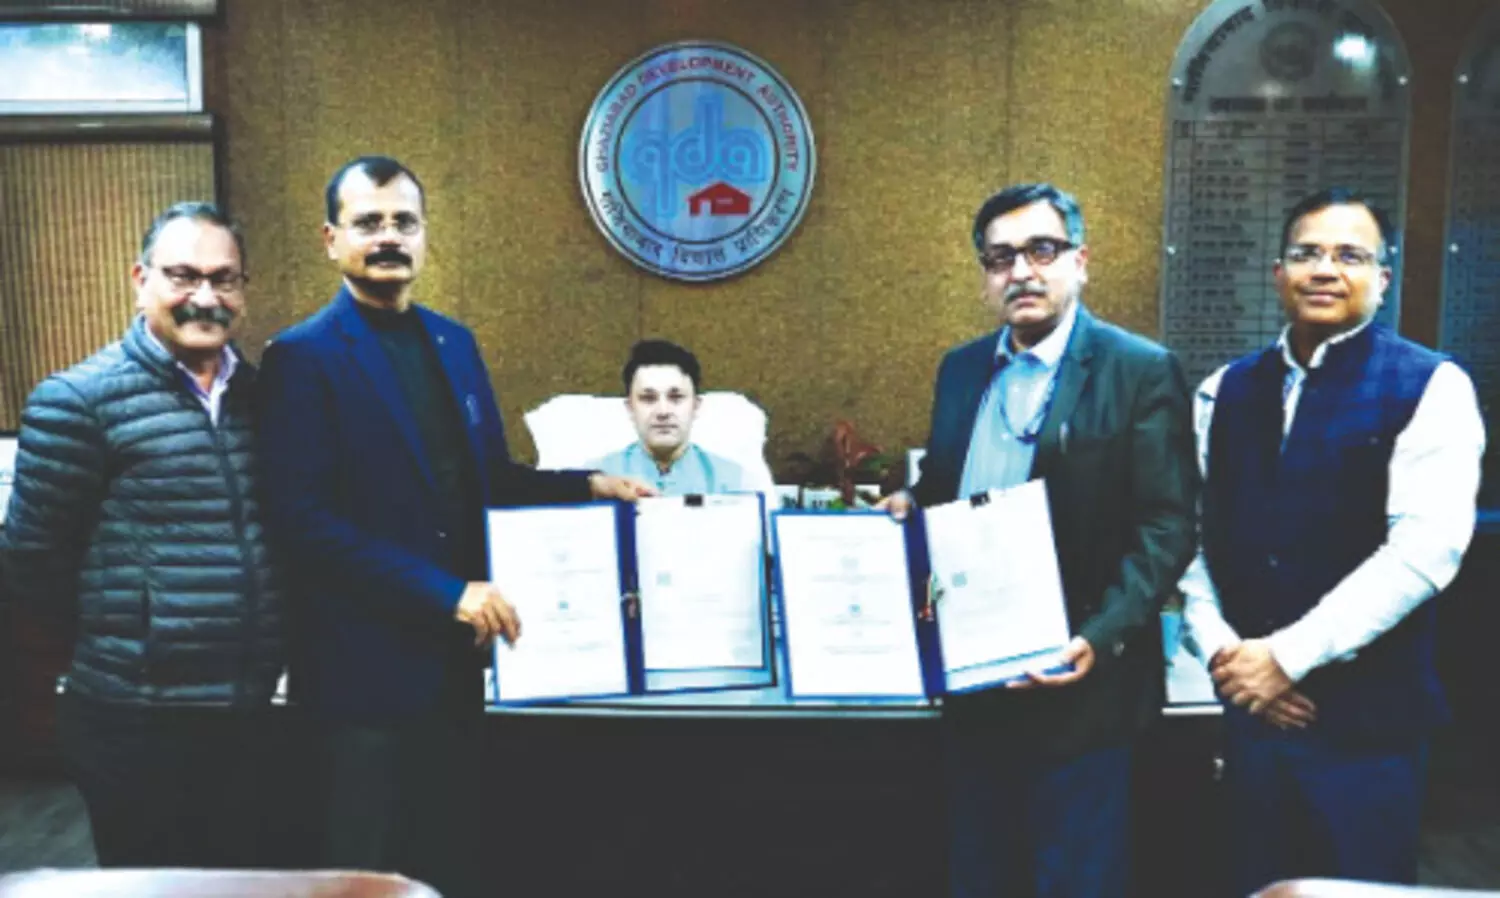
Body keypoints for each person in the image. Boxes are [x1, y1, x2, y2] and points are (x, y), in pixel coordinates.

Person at [253, 155, 652, 898]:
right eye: (368, 223)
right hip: (360, 683)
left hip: (454, 674)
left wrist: (587, 485)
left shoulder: (453, 344)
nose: (388, 237)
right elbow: (302, 522)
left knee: (447, 862)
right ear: (331, 240)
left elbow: (485, 479)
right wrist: (448, 593)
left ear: (424, 235)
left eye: (403, 222)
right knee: (362, 874)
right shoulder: (301, 358)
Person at [884, 183, 1197, 897]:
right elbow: (943, 482)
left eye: (1042, 250)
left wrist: (1099, 635)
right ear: (985, 276)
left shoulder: (1138, 369)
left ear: (1080, 261)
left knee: (1075, 882)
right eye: (1000, 258)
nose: (1021, 271)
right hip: (975, 689)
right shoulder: (962, 369)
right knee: (980, 875)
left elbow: (1168, 525)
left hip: (1081, 693)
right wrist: (910, 502)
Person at [1180, 187, 1485, 894]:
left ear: (1383, 277)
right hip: (1252, 719)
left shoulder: (1432, 386)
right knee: (1252, 884)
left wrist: (1286, 657)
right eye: (1306, 253)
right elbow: (1192, 539)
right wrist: (1228, 658)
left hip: (1366, 733)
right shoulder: (1223, 391)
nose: (1325, 269)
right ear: (1278, 274)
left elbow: (1425, 552)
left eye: (1350, 255)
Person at [0, 202, 284, 867]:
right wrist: (125, 647)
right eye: (183, 276)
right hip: (136, 722)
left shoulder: (264, 397)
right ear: (140, 280)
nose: (205, 297)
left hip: (248, 711)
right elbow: (31, 562)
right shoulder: (78, 400)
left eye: (224, 278)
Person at [592, 338, 752, 495]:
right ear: (630, 408)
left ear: (695, 406)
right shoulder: (598, 478)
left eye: (676, 398)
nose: (663, 411)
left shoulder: (734, 481)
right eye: (648, 398)